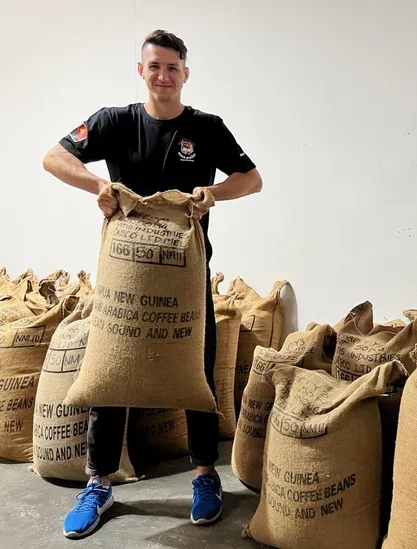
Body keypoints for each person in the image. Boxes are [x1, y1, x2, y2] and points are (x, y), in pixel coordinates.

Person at [42, 29, 262, 539]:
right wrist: (99, 185)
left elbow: (251, 179)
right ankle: (99, 483)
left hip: (186, 276)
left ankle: (205, 474)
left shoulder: (206, 128)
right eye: (155, 66)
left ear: (186, 73)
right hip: (127, 276)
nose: (164, 76)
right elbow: (54, 157)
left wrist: (213, 193)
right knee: (110, 370)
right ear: (141, 71)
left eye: (172, 67)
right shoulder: (114, 121)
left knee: (196, 369)